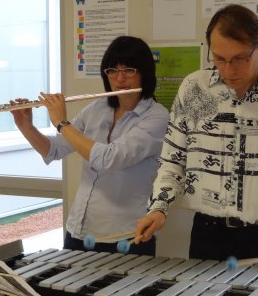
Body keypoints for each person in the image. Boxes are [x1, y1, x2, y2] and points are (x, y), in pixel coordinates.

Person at [135, 4, 258, 265]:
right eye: (219, 58)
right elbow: (173, 158)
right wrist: (159, 206)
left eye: (239, 59)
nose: (228, 69)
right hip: (208, 234)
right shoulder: (194, 87)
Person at [11, 36, 169, 256]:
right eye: (113, 71)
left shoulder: (157, 117)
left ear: (144, 72)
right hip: (78, 232)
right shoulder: (97, 109)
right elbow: (53, 149)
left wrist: (62, 123)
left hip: (125, 237)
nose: (120, 79)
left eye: (129, 70)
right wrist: (26, 127)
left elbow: (110, 158)